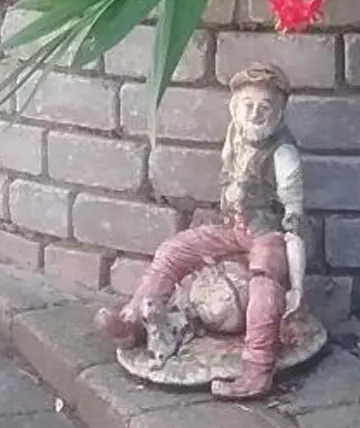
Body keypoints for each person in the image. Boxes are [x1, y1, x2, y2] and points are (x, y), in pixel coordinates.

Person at [98, 63, 307, 398]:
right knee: (173, 251)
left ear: (279, 113)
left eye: (264, 108)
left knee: (265, 285)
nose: (254, 115)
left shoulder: (283, 154)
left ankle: (257, 369)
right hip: (232, 227)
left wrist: (295, 283)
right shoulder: (234, 136)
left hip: (266, 233)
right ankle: (134, 321)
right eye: (247, 106)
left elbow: (294, 215)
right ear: (234, 108)